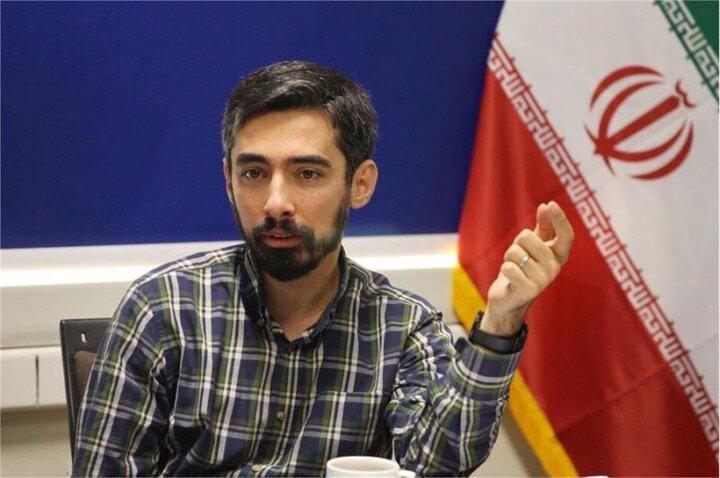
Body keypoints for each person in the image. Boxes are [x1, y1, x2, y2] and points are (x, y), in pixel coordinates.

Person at [72, 61, 574, 476]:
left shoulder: (401, 327)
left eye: (307, 174)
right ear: (228, 180)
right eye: (254, 173)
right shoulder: (163, 308)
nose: (276, 202)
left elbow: (437, 465)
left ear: (360, 184)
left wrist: (501, 321)